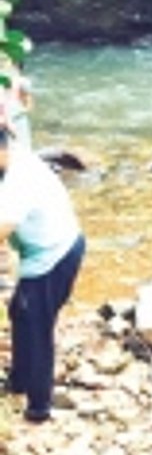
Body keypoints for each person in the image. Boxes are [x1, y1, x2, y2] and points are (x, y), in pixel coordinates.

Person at [0, 129, 86, 423]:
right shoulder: (14, 158)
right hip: (46, 251)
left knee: (36, 325)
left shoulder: (19, 178)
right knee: (20, 311)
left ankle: (39, 407)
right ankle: (19, 380)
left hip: (55, 254)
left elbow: (3, 229)